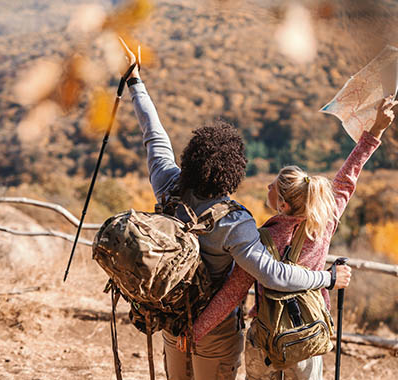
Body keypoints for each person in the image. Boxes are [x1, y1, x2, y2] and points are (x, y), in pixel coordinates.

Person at [121, 44, 346, 379]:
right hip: (217, 333)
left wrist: (135, 83)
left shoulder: (168, 185)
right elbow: (273, 274)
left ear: (192, 158)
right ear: (234, 172)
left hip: (172, 319)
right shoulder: (235, 221)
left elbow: (154, 136)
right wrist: (327, 278)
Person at [191, 97, 398, 380]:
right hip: (308, 337)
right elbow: (348, 177)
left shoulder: (260, 238)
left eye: (273, 186)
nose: (267, 186)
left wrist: (196, 332)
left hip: (266, 340)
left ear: (283, 205)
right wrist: (376, 130)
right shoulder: (323, 221)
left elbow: (232, 293)